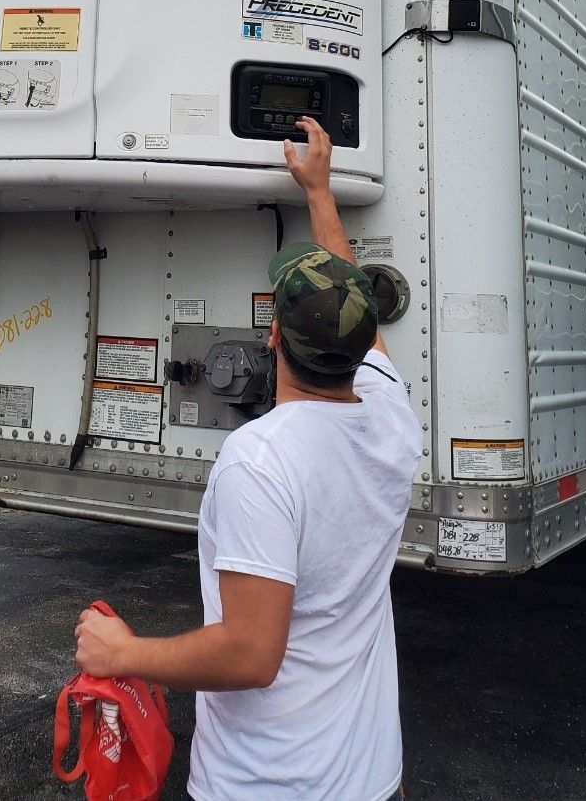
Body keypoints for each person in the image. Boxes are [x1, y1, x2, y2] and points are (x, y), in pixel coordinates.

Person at [74, 115, 423, 801]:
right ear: (359, 346)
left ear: (273, 340)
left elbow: (250, 654)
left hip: (272, 785)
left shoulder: (260, 460)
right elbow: (358, 315)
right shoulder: (389, 414)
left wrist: (125, 652)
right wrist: (320, 193)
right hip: (370, 778)